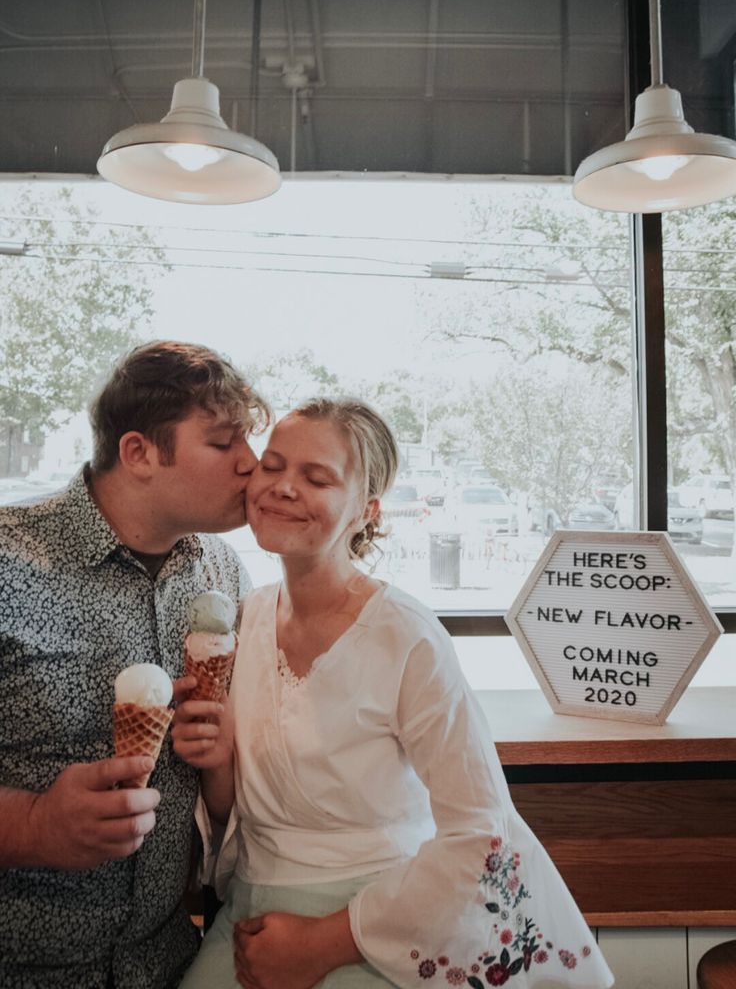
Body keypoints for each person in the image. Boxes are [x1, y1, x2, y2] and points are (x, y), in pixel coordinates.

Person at [172, 398, 613, 989]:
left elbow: (480, 829)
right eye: (272, 466)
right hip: (252, 914)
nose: (282, 487)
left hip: (377, 921)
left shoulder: (406, 635)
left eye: (317, 477)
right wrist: (216, 758)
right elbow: (235, 814)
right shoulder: (244, 622)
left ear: (366, 510)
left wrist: (320, 943)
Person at [0, 340, 270, 989]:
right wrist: (35, 826)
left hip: (166, 962)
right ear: (139, 453)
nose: (252, 466)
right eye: (224, 443)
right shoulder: (7, 559)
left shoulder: (224, 573)